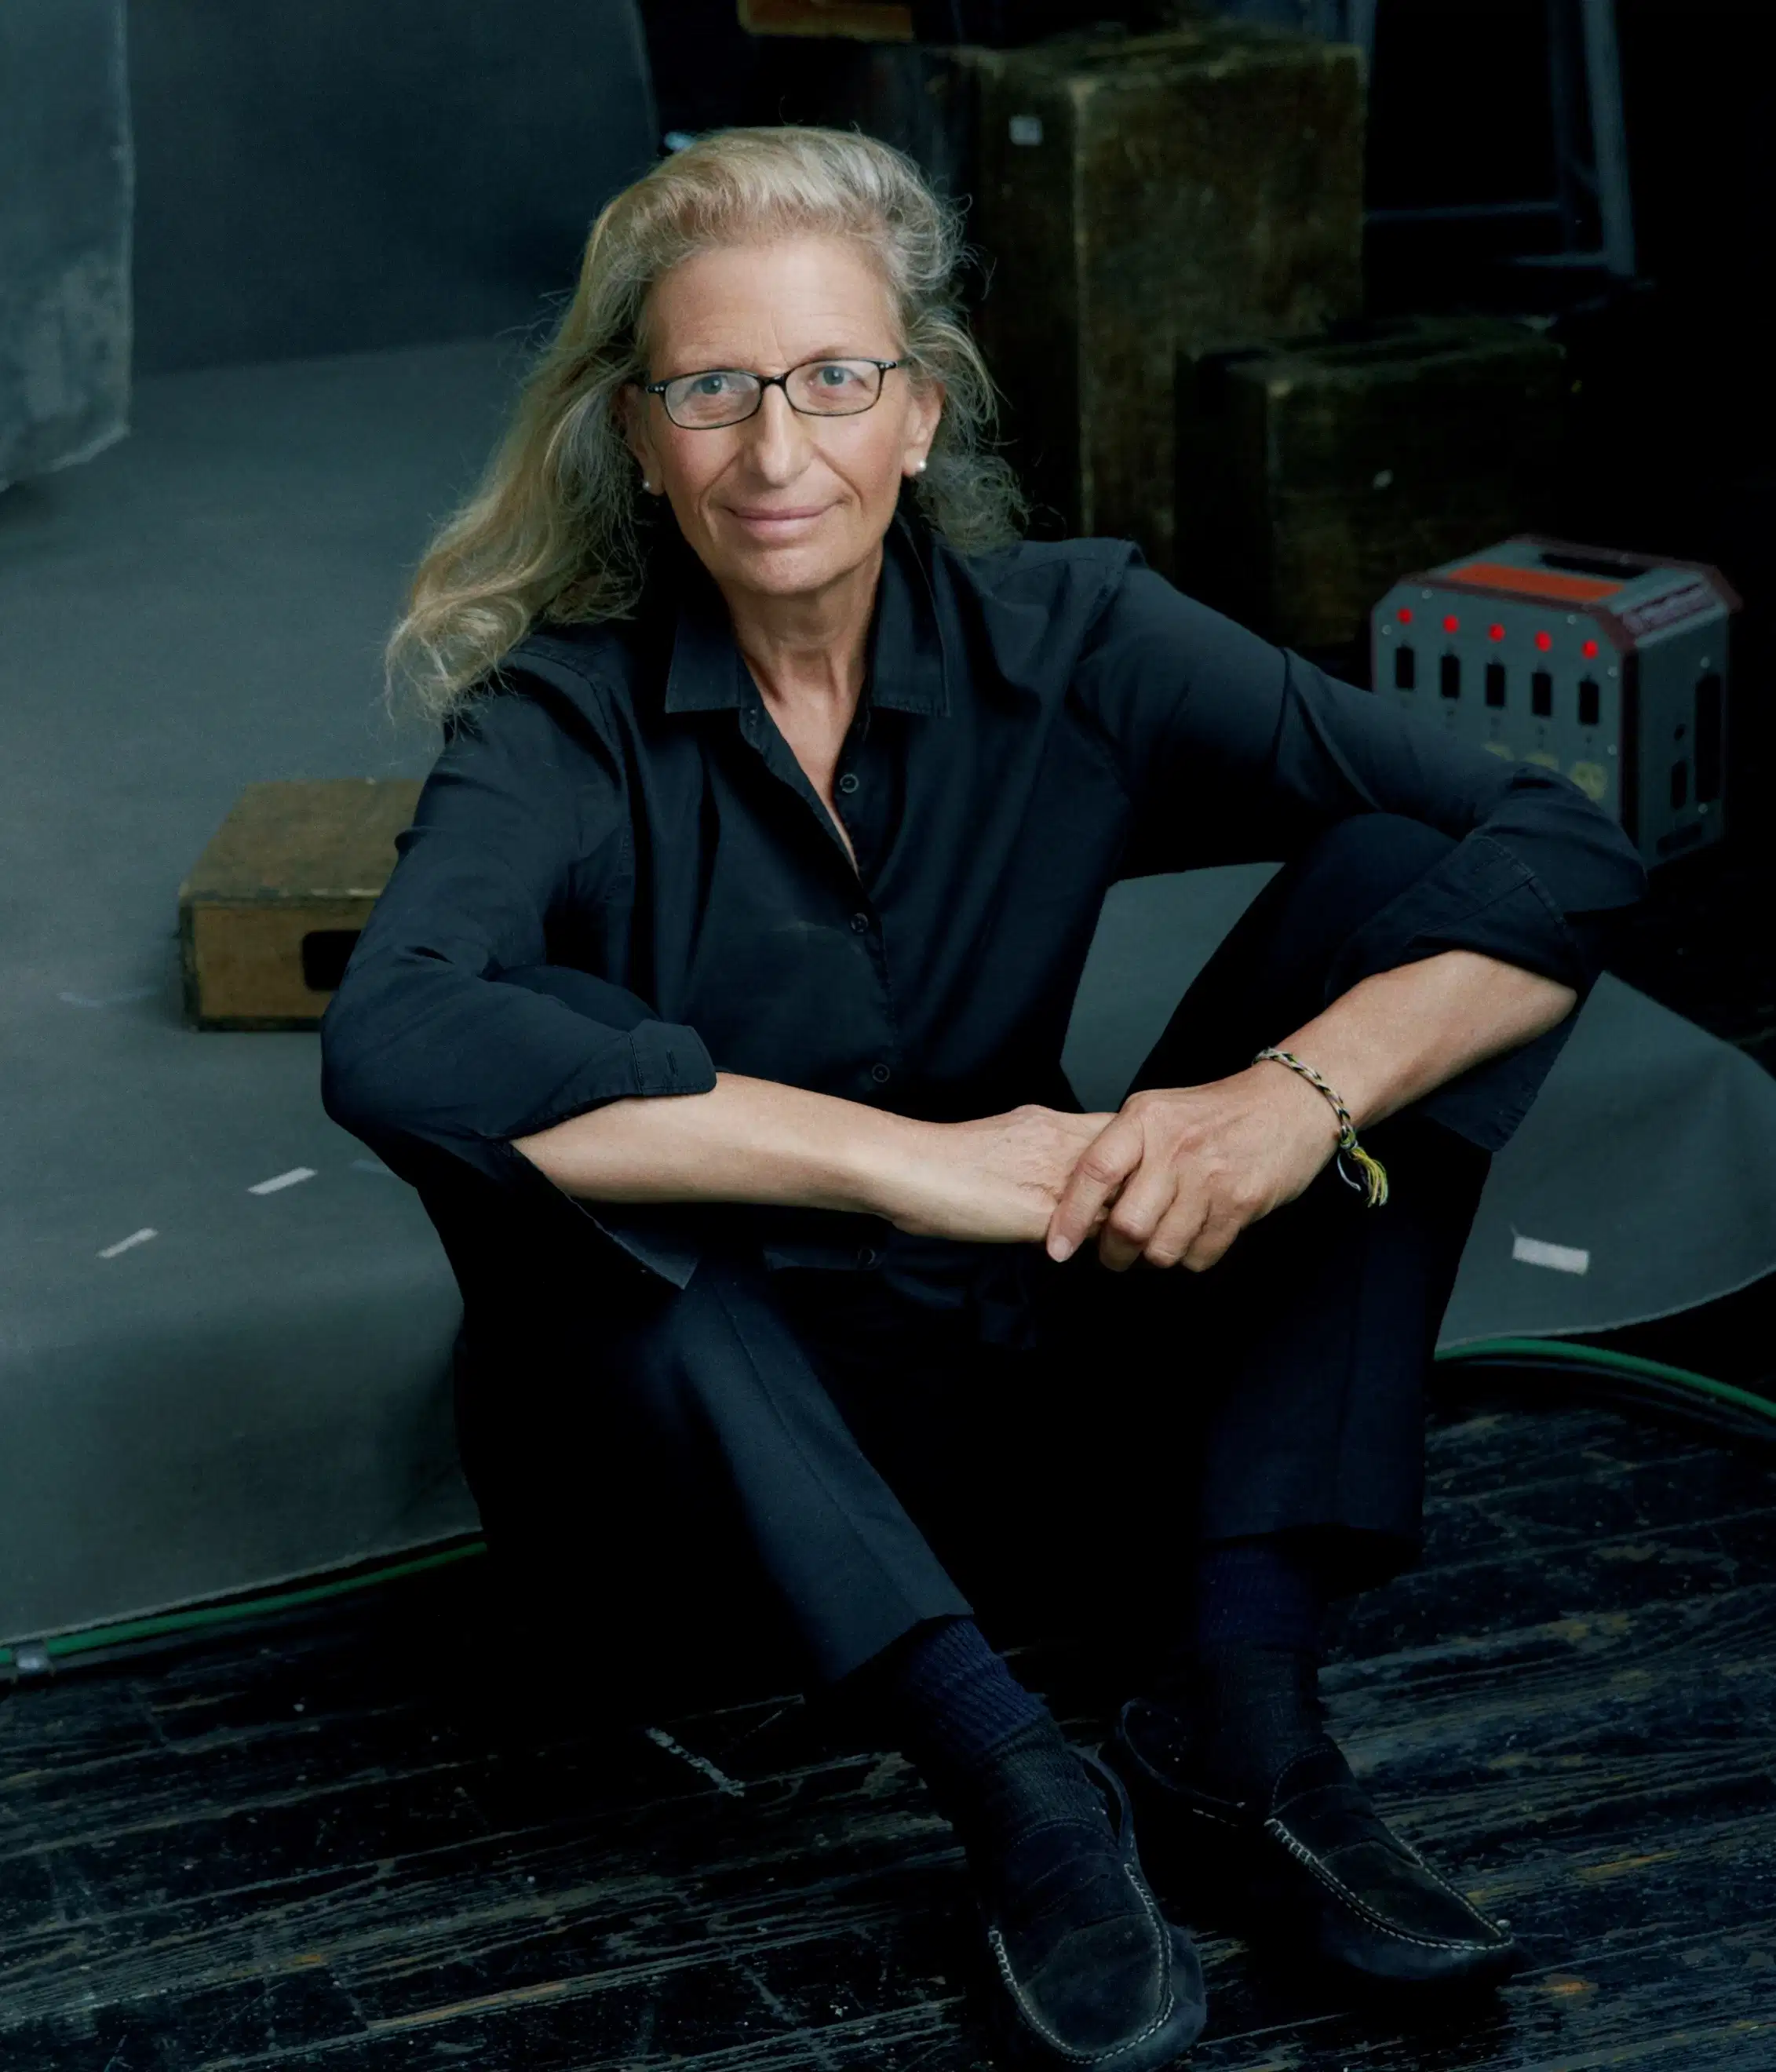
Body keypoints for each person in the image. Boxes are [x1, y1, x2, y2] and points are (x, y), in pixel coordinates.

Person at [320, 126, 1646, 2070]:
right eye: (716, 391)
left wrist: (1293, 1097)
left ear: (919, 412)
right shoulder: (561, 719)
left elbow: (1558, 839)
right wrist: (918, 1167)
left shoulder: (1081, 634)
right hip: (714, 1498)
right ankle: (1018, 1783)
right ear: (643, 433)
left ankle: (1241, 1727)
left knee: (1403, 914)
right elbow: (396, 1042)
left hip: (1041, 1410)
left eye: (835, 379)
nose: (780, 453)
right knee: (556, 1176)